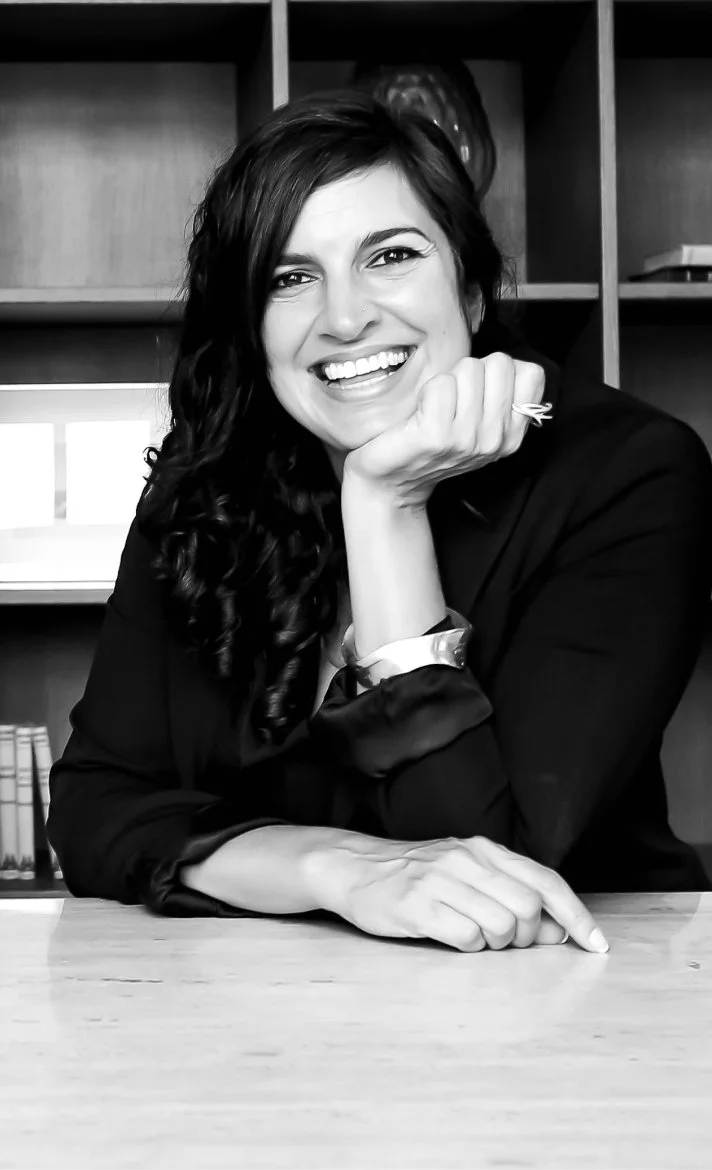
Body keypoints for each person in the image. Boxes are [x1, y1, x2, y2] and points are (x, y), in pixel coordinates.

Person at [47, 91, 712, 956]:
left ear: (471, 294)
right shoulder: (207, 478)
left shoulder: (629, 471)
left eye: (390, 256)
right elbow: (97, 805)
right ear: (254, 328)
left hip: (572, 999)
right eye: (292, 278)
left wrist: (386, 505)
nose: (345, 316)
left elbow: (489, 884)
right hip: (277, 1008)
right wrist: (332, 868)